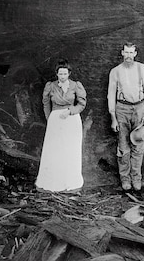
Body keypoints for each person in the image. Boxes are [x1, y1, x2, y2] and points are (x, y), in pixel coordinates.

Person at [107, 43, 144, 192]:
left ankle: (136, 178)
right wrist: (113, 116)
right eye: (126, 52)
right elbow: (111, 94)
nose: (128, 55)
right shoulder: (115, 71)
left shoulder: (141, 68)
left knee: (138, 145)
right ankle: (125, 179)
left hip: (139, 108)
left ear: (135, 53)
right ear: (122, 53)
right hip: (122, 109)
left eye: (131, 52)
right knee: (123, 147)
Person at [36, 61, 87, 193]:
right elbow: (46, 103)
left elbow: (81, 104)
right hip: (56, 120)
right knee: (55, 151)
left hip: (71, 120)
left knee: (70, 151)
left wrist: (70, 111)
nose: (62, 76)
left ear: (69, 73)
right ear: (57, 74)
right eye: (60, 74)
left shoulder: (76, 85)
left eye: (65, 73)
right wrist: (51, 119)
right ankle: (53, 182)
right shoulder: (51, 86)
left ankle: (70, 182)